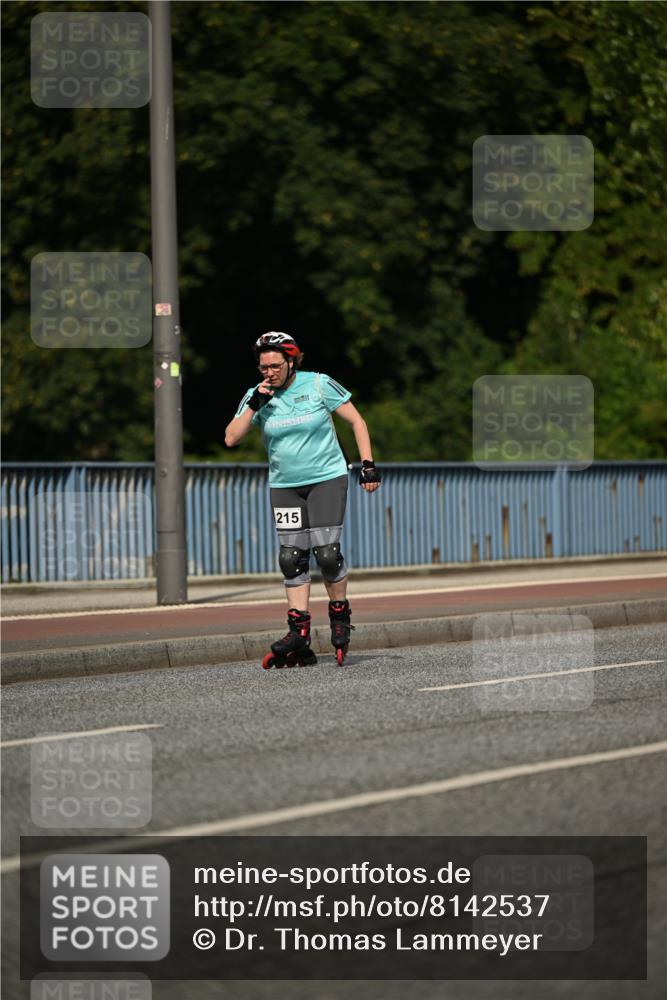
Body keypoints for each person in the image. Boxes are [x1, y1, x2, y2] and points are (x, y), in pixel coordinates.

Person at [224, 331, 381, 667]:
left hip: (327, 478)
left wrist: (367, 465)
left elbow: (357, 421)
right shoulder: (258, 395)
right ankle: (299, 634)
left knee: (326, 553)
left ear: (291, 361)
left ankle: (339, 617)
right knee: (291, 557)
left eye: (275, 366)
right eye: (263, 367)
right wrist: (254, 405)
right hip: (284, 485)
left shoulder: (318, 384)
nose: (269, 372)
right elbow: (231, 438)